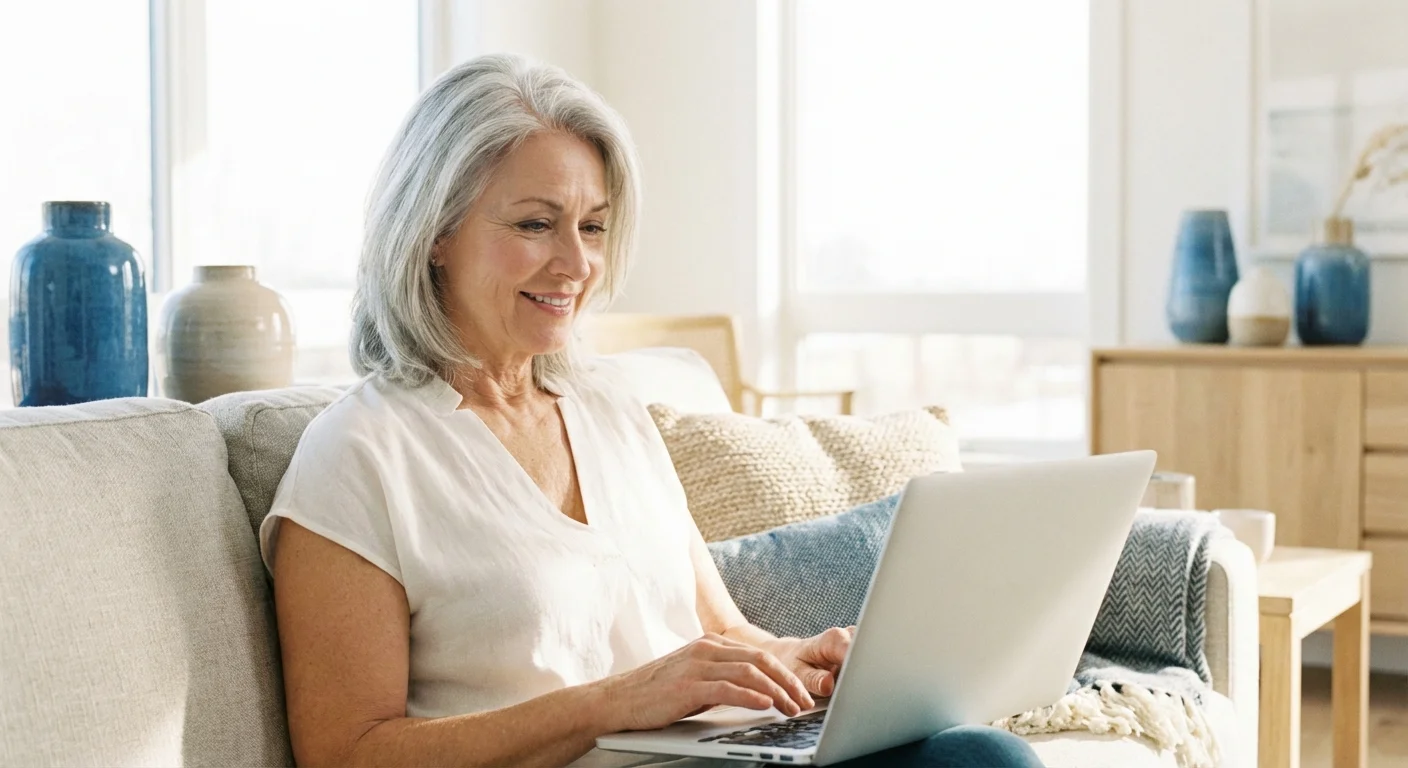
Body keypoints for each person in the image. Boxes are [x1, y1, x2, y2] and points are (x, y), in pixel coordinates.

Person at [259, 53, 1045, 768]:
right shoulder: (361, 455)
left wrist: (803, 662)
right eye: (536, 224)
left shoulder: (608, 406)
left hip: (715, 758)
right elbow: (345, 752)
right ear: (432, 232)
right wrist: (616, 702)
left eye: (592, 226)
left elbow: (720, 629)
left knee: (978, 754)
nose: (576, 264)